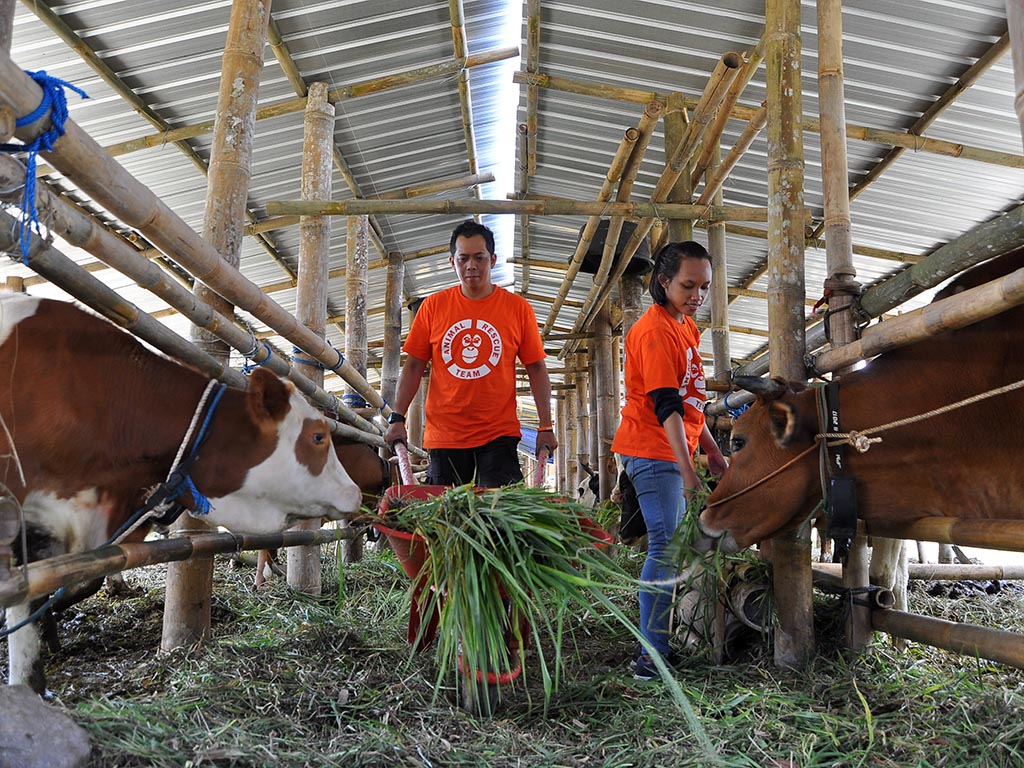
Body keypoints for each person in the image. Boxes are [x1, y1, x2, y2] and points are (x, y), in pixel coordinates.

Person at [611, 240, 729, 681]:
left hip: (669, 449)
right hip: (654, 449)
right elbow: (666, 405)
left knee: (668, 547)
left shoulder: (686, 327)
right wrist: (687, 469)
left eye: (704, 287)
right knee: (663, 547)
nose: (697, 295)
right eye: (687, 285)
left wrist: (712, 453)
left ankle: (655, 648)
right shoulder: (657, 330)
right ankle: (650, 658)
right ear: (663, 282)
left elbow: (692, 402)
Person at [384, 220, 557, 486]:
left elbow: (536, 368)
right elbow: (414, 366)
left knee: (499, 519)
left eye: (480, 257)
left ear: (493, 260)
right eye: (463, 258)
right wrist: (398, 418)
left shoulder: (517, 309)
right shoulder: (433, 307)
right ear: (452, 261)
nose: (471, 266)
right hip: (445, 437)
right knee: (448, 523)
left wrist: (545, 426)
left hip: (499, 435)